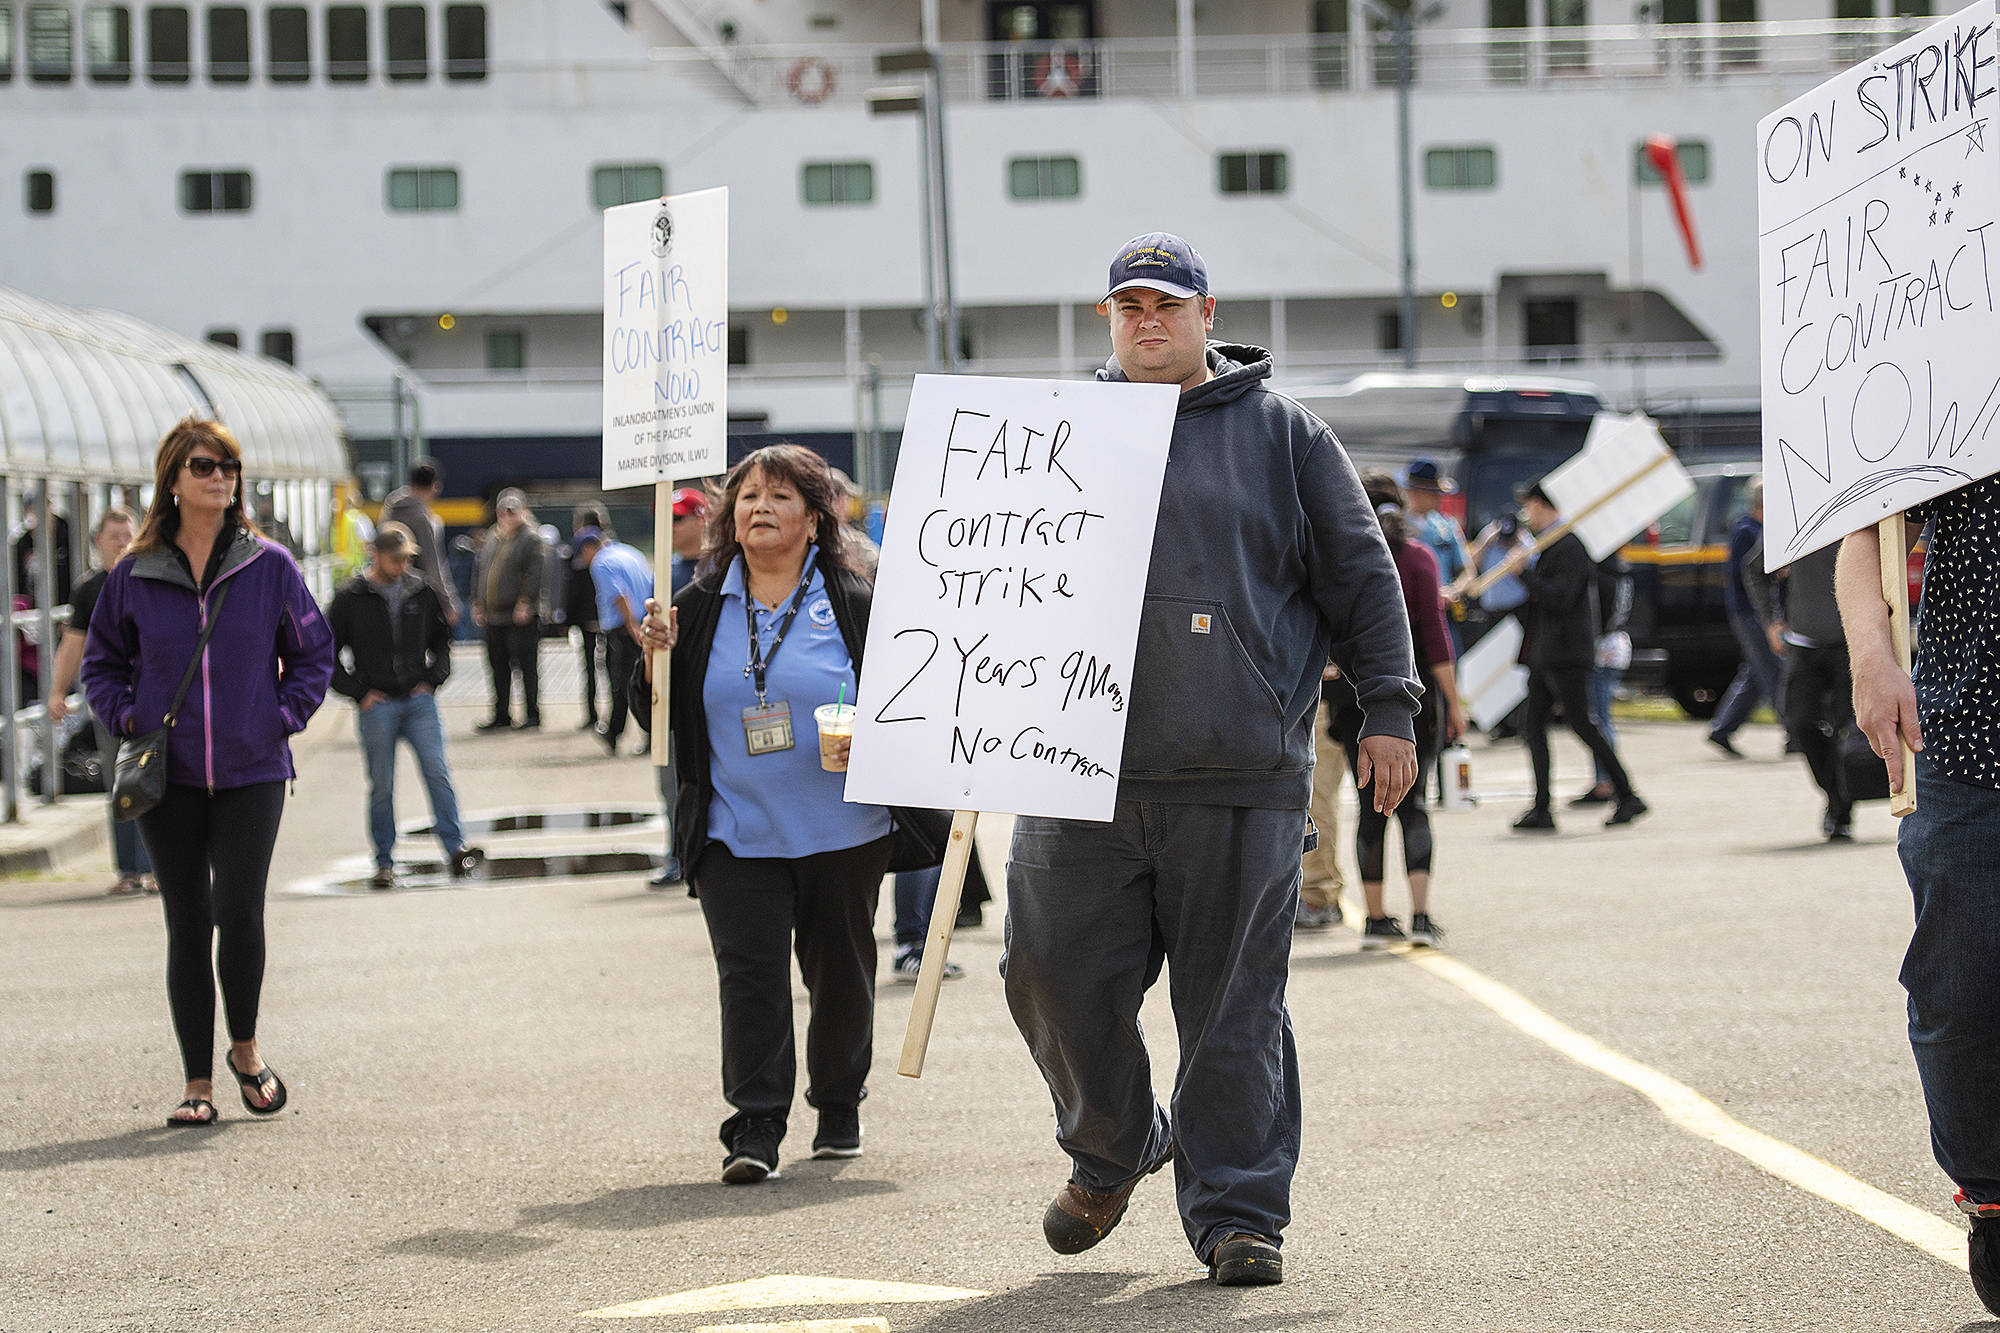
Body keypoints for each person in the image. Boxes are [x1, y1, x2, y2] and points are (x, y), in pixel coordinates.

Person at [999, 232, 1419, 1288]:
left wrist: (1390, 711)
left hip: (1239, 772)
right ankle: (1115, 1143)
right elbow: (981, 580)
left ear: (1204, 314)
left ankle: (1238, 1213)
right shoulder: (1050, 434)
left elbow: (1364, 582)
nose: (1147, 320)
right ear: (1106, 320)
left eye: (1166, 304)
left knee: (1233, 1009)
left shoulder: (1285, 437)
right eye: (1127, 305)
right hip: (1070, 766)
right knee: (1047, 979)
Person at [634, 445, 897, 1184]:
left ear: (815, 519)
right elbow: (648, 713)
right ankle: (755, 1123)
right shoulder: (692, 605)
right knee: (748, 976)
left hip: (844, 831)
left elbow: (909, 698)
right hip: (733, 831)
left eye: (780, 497)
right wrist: (652, 658)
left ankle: (839, 1101)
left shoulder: (854, 600)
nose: (759, 508)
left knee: (840, 973)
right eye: (747, 496)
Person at [81, 417, 334, 1127]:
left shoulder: (269, 565)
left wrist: (280, 714)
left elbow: (314, 651)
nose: (218, 474)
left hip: (253, 768)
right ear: (173, 477)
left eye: (227, 464)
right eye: (203, 464)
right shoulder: (133, 573)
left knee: (239, 911)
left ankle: (245, 1049)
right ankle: (198, 1083)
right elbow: (101, 662)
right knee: (186, 920)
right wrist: (129, 716)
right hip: (172, 773)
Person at [1839, 487, 2000, 1317]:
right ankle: (1992, 1192)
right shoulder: (1958, 366)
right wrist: (1871, 658)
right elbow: (1863, 513)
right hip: (1969, 736)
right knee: (1961, 993)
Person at [1331, 472, 1468, 949]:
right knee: (1414, 803)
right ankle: (1423, 916)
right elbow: (1435, 636)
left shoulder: (1344, 561)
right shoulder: (1418, 558)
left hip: (1352, 697)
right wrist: (1454, 702)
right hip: (1414, 696)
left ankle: (1373, 919)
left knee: (1370, 808)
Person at [327, 521, 485, 889]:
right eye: (395, 559)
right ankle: (384, 861)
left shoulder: (421, 590)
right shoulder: (351, 597)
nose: (402, 565)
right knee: (381, 785)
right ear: (376, 555)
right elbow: (326, 653)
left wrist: (432, 681)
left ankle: (454, 848)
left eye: (406, 559)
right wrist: (357, 692)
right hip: (376, 704)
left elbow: (442, 641)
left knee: (437, 772)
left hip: (418, 701)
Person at [1501, 480, 1646, 832]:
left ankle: (1627, 794)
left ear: (1543, 505)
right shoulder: (1548, 545)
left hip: (1565, 652)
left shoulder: (1567, 545)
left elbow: (1560, 597)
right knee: (1532, 725)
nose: (1526, 515)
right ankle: (1542, 808)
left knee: (1582, 723)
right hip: (1546, 652)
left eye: (1530, 506)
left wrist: (1525, 574)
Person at [46, 506, 154, 896]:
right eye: (114, 537)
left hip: (152, 696)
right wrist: (58, 692)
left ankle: (154, 867)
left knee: (153, 777)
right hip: (110, 699)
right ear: (98, 542)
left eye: (128, 535)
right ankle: (129, 870)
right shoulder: (90, 588)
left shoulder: (149, 576)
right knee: (119, 783)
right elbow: (72, 643)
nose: (123, 543)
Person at [1749, 544, 1853, 839]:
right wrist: (1771, 620)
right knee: (1799, 721)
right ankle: (1836, 795)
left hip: (1850, 643)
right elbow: (1755, 569)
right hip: (1804, 643)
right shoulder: (1795, 523)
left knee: (1846, 728)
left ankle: (1840, 809)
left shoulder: (1856, 516)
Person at [649, 487, 712, 889]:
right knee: (669, 784)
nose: (669, 529)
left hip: (711, 699)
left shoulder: (721, 569)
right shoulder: (664, 572)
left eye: (677, 520)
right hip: (671, 700)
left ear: (701, 518)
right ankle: (679, 855)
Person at [1708, 477, 1780, 757]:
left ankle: (1722, 728)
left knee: (1754, 671)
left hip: (1755, 611)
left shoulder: (1758, 529)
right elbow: (1749, 576)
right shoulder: (1747, 531)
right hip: (1749, 612)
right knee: (1771, 669)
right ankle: (1792, 730)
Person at [573, 526, 653, 757]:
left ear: (589, 548)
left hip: (625, 630)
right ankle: (615, 731)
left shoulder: (601, 563)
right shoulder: (630, 552)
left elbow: (619, 595)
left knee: (624, 683)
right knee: (637, 681)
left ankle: (634, 733)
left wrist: (631, 626)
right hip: (644, 622)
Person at [471, 488, 545, 732]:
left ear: (523, 512)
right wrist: (478, 603)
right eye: (504, 511)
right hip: (494, 616)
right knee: (497, 667)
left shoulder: (531, 538)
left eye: (513, 512)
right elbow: (481, 571)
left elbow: (535, 573)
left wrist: (526, 602)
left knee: (525, 666)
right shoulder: (493, 536)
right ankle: (501, 714)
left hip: (518, 616)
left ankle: (532, 715)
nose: (507, 516)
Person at [1294, 662, 1349, 931]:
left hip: (1322, 702)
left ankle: (1319, 896)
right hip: (1294, 697)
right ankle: (1316, 892)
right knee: (1309, 802)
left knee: (1317, 803)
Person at [379, 458, 458, 627]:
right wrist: (447, 603)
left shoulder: (390, 510)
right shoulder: (421, 518)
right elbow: (432, 564)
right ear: (434, 486)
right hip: (415, 593)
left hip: (384, 589)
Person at [567, 507, 609, 731]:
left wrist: (568, 619)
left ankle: (593, 715)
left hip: (589, 617)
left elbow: (574, 589)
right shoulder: (610, 549)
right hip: (605, 617)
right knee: (609, 667)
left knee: (590, 667)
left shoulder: (580, 551)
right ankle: (610, 717)